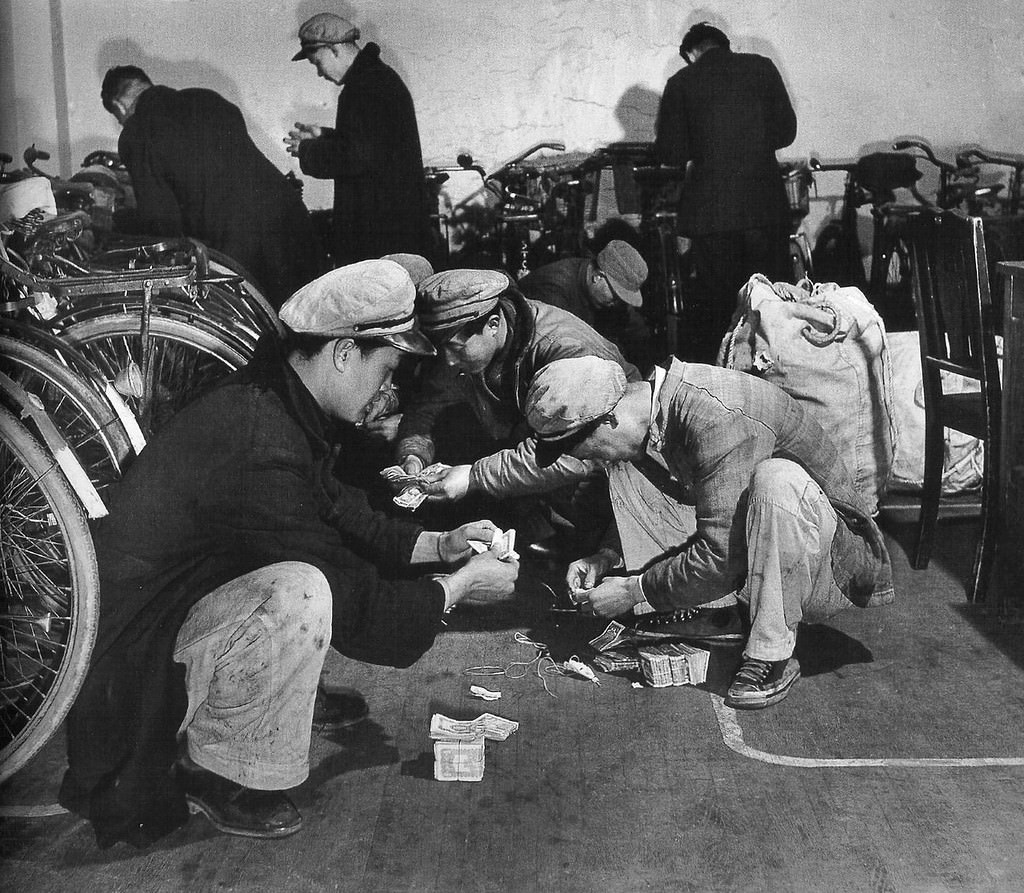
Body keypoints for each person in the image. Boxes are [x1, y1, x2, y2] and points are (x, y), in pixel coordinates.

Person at [59, 260, 518, 847]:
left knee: (307, 575)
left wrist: (439, 546)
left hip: (168, 616)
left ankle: (266, 701)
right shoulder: (260, 444)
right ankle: (213, 766)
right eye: (390, 367)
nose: (392, 389)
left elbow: (334, 507)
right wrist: (456, 590)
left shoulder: (275, 395)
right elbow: (350, 601)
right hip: (130, 672)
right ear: (345, 353)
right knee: (304, 591)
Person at [523, 356, 895, 709]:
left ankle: (772, 653)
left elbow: (721, 558)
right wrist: (607, 555)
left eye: (585, 448)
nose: (591, 458)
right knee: (623, 465)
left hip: (834, 568)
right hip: (766, 556)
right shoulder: (655, 408)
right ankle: (723, 613)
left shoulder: (719, 417)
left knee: (775, 480)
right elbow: (684, 499)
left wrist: (633, 589)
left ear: (609, 420)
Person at [395, 269, 643, 552]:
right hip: (538, 458)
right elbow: (430, 402)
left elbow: (573, 454)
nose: (449, 362)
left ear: (492, 323)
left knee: (594, 544)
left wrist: (475, 476)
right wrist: (413, 454)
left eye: (456, 350)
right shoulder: (459, 337)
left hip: (615, 466)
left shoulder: (567, 350)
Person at [100, 65, 325, 309]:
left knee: (263, 337)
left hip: (241, 247)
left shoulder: (136, 132)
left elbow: (162, 222)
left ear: (120, 106)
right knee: (310, 320)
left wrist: (118, 222)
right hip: (292, 218)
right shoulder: (206, 98)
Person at [654, 22, 797, 363]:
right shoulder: (761, 67)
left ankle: (728, 386)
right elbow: (786, 132)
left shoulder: (682, 83)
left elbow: (672, 153)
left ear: (691, 53)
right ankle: (780, 381)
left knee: (722, 312)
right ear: (724, 45)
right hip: (766, 211)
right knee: (771, 307)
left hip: (713, 220)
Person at [286, 13, 433, 265]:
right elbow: (373, 143)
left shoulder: (365, 87)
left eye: (317, 63)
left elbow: (358, 156)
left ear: (333, 50)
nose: (319, 73)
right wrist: (323, 135)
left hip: (381, 233)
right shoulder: (376, 79)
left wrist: (309, 150)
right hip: (391, 226)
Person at [517, 239, 655, 370]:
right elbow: (564, 353)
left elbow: (638, 332)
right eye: (617, 294)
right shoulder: (552, 289)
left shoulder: (608, 297)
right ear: (598, 277)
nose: (618, 303)